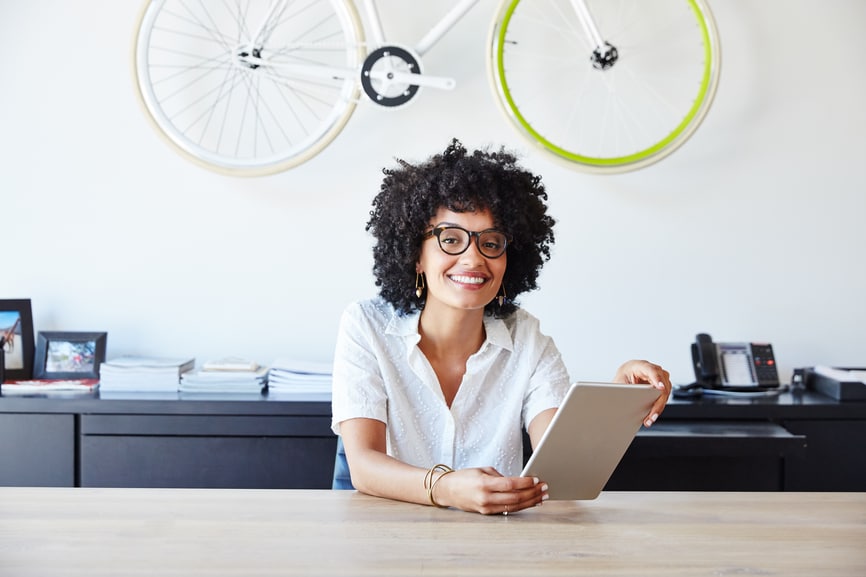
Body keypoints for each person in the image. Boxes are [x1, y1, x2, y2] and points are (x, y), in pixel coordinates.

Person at [331, 139, 671, 515]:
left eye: (491, 242)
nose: (474, 258)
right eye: (451, 239)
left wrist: (615, 400)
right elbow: (363, 467)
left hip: (496, 547)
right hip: (384, 540)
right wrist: (446, 488)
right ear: (416, 256)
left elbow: (562, 465)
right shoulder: (366, 325)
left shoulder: (527, 338)